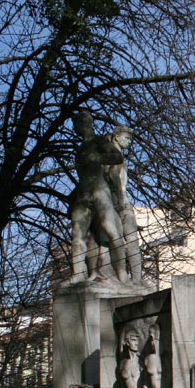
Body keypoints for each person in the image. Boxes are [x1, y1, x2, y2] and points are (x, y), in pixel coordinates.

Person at [69, 110, 128, 283]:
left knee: (111, 231)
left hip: (99, 190)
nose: (75, 129)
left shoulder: (99, 140)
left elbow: (117, 157)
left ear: (85, 123)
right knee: (78, 234)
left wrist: (97, 157)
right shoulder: (80, 148)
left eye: (76, 125)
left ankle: (122, 272)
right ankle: (78, 275)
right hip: (83, 193)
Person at [105, 125, 142, 284]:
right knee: (130, 240)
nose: (129, 142)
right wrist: (121, 199)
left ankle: (128, 278)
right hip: (120, 201)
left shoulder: (107, 154)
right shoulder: (114, 154)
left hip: (111, 201)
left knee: (116, 241)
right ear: (116, 137)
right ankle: (137, 279)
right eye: (127, 138)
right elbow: (114, 177)